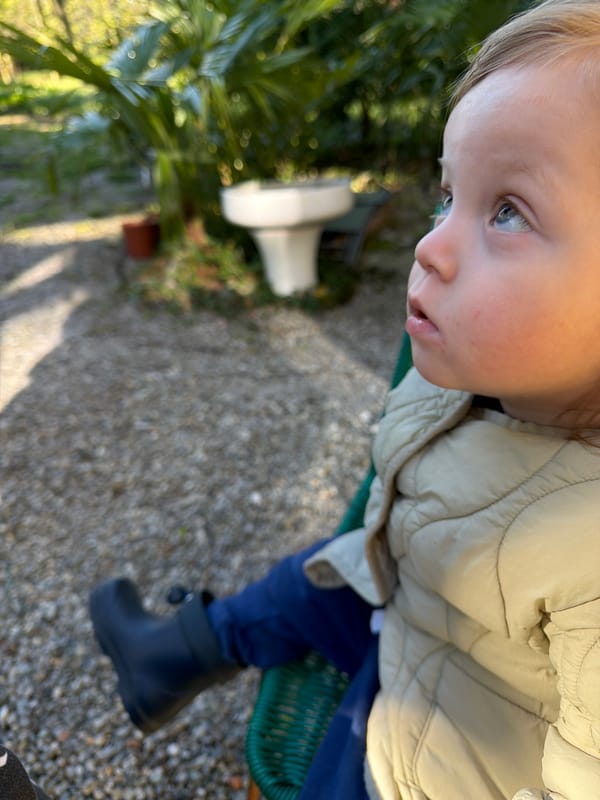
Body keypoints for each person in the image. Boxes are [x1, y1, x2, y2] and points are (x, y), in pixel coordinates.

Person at [88, 1, 600, 798]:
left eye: (507, 211)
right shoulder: (477, 385)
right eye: (447, 197)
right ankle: (170, 655)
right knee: (312, 576)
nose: (429, 247)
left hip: (428, 750)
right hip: (412, 601)